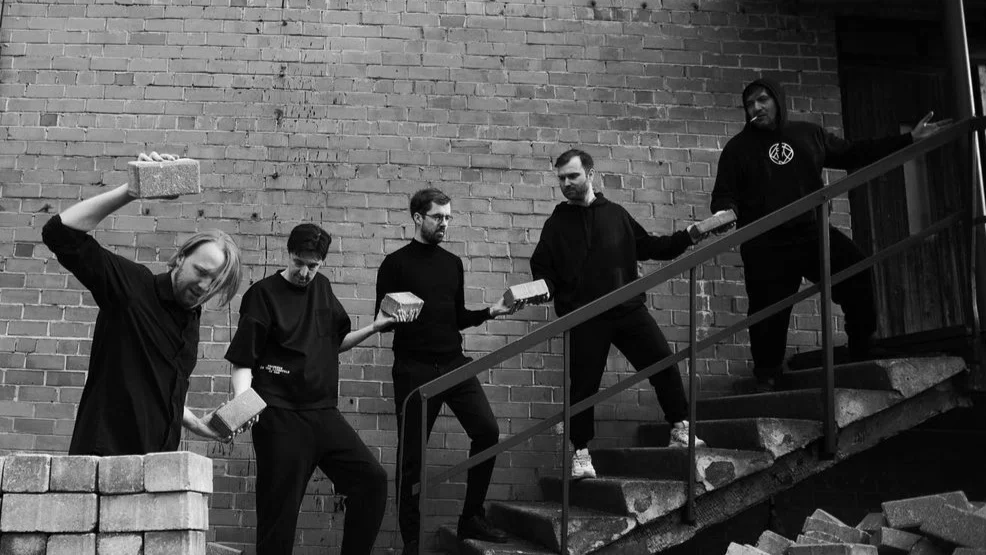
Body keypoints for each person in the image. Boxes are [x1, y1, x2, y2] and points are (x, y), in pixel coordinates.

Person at [710, 77, 948, 390]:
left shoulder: (809, 134)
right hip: (766, 244)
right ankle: (768, 374)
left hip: (812, 233)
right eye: (750, 103)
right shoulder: (737, 149)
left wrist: (908, 140)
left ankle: (862, 346)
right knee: (767, 312)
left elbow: (853, 153)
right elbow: (723, 194)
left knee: (856, 270)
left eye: (763, 99)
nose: (757, 107)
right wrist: (725, 212)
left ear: (777, 100)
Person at [41, 152, 242, 456]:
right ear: (180, 258)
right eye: (201, 272)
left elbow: (155, 389)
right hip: (105, 463)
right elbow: (59, 234)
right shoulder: (132, 287)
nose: (205, 286)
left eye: (215, 282)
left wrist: (196, 424)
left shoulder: (190, 318)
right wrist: (133, 189)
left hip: (158, 467)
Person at [530, 148, 710, 481]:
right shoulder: (556, 224)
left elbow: (651, 246)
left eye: (573, 176)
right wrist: (544, 290)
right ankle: (581, 453)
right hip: (586, 317)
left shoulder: (616, 214)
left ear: (590, 174)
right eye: (561, 179)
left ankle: (680, 427)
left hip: (628, 309)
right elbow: (542, 269)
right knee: (583, 388)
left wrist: (689, 236)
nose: (567, 183)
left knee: (662, 362)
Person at [224, 223, 401, 555]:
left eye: (313, 266)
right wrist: (243, 403)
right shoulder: (262, 295)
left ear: (322, 263)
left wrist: (375, 327)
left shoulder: (322, 288)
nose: (305, 272)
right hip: (279, 416)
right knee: (278, 517)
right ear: (289, 254)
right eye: (299, 263)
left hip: (323, 413)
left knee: (372, 481)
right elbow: (243, 360)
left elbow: (336, 343)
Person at [375, 189, 517, 555]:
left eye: (448, 217)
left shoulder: (452, 263)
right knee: (411, 458)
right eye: (438, 217)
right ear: (417, 217)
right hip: (414, 370)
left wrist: (490, 311)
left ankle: (471, 517)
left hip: (453, 364)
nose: (444, 223)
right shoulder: (394, 264)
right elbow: (383, 321)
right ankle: (411, 540)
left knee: (487, 431)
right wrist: (394, 316)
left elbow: (457, 317)